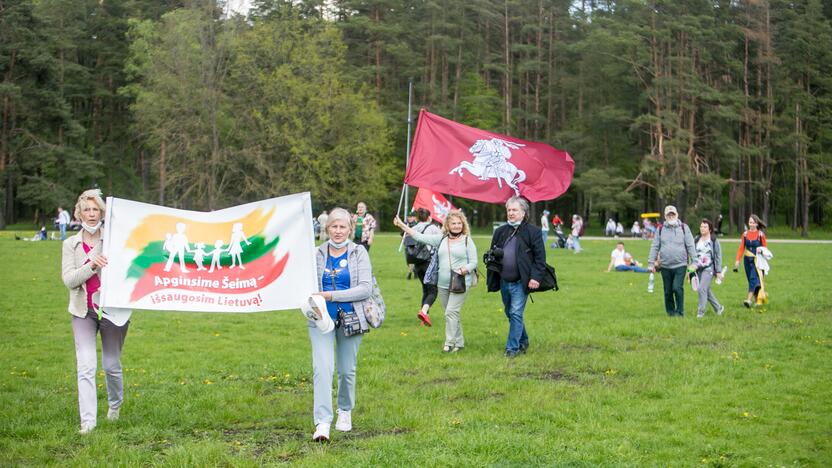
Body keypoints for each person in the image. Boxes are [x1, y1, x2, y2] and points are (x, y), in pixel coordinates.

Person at [61, 189, 131, 434]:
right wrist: (92, 264)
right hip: (83, 312)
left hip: (112, 311)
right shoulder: (70, 244)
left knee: (111, 364)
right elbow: (69, 280)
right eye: (86, 210)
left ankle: (115, 405)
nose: (91, 214)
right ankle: (88, 423)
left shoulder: (115, 239)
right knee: (86, 365)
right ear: (79, 214)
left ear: (102, 213)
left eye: (95, 210)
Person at [309, 208, 374, 442]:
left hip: (351, 318)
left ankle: (344, 410)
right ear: (327, 229)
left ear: (350, 229)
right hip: (321, 320)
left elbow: (365, 288)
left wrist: (331, 295)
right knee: (322, 369)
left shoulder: (359, 253)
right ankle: (322, 422)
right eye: (334, 227)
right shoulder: (316, 253)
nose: (338, 231)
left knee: (347, 370)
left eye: (342, 227)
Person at [394, 210, 478, 352]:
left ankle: (449, 343)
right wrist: (402, 225)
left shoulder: (467, 240)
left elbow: (474, 262)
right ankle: (459, 342)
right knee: (452, 313)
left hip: (460, 282)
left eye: (459, 223)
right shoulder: (441, 239)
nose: (457, 226)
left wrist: (464, 269)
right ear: (448, 225)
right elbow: (419, 236)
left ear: (463, 225)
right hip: (443, 283)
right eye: (454, 223)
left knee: (450, 312)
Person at [487, 196, 547, 357]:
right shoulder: (500, 232)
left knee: (515, 313)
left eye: (515, 210)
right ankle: (523, 340)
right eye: (509, 210)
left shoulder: (533, 232)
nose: (511, 213)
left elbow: (540, 259)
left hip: (522, 281)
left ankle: (512, 348)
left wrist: (535, 277)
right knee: (510, 313)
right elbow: (493, 253)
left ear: (523, 212)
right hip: (504, 280)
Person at [648, 205, 696, 317]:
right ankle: (671, 313)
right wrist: (651, 263)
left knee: (677, 288)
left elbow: (690, 245)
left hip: (681, 265)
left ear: (677, 215)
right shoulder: (660, 229)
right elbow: (655, 246)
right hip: (665, 266)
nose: (671, 216)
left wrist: (695, 261)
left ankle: (680, 312)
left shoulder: (684, 228)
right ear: (665, 216)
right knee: (668, 291)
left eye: (672, 214)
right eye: (668, 215)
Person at [401, 209, 441, 325]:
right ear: (429, 217)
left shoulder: (414, 228)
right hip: (429, 263)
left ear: (417, 218)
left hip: (417, 264)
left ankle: (424, 316)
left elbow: (407, 243)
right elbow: (441, 240)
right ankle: (424, 313)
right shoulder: (433, 228)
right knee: (433, 291)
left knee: (425, 289)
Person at [734, 214, 768, 308]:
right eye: (750, 222)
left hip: (757, 261)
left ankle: (748, 300)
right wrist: (738, 260)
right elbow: (741, 248)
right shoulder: (745, 234)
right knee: (751, 281)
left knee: (753, 279)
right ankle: (759, 298)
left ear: (757, 224)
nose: (751, 224)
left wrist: (760, 250)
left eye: (753, 222)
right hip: (747, 261)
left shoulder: (761, 234)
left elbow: (765, 248)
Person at [694, 219, 725, 317]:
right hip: (698, 269)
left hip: (709, 268)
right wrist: (691, 268)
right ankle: (718, 308)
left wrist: (718, 271)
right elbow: (693, 254)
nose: (702, 228)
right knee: (706, 290)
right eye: (701, 226)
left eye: (705, 227)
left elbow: (718, 256)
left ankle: (700, 312)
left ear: (710, 229)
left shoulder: (713, 240)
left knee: (701, 289)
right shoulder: (696, 239)